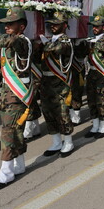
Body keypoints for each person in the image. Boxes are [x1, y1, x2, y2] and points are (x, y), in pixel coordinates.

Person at [0, 7, 33, 190]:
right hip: (7, 93)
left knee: (8, 131)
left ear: (22, 26)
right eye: (5, 24)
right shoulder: (8, 44)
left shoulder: (23, 42)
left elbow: (4, 41)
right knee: (16, 130)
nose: (6, 27)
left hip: (17, 93)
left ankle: (5, 172)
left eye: (10, 24)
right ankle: (19, 164)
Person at [39, 12, 74, 157]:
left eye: (56, 24)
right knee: (48, 112)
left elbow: (54, 49)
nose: (53, 26)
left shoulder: (65, 41)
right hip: (46, 82)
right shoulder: (51, 40)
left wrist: (42, 42)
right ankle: (56, 141)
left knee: (62, 113)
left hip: (59, 83)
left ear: (64, 26)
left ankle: (68, 141)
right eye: (51, 24)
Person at [83, 16, 104, 138]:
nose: (94, 28)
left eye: (97, 26)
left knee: (101, 101)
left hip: (102, 74)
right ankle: (95, 125)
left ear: (103, 27)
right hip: (91, 73)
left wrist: (92, 43)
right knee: (91, 101)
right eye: (93, 26)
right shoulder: (91, 39)